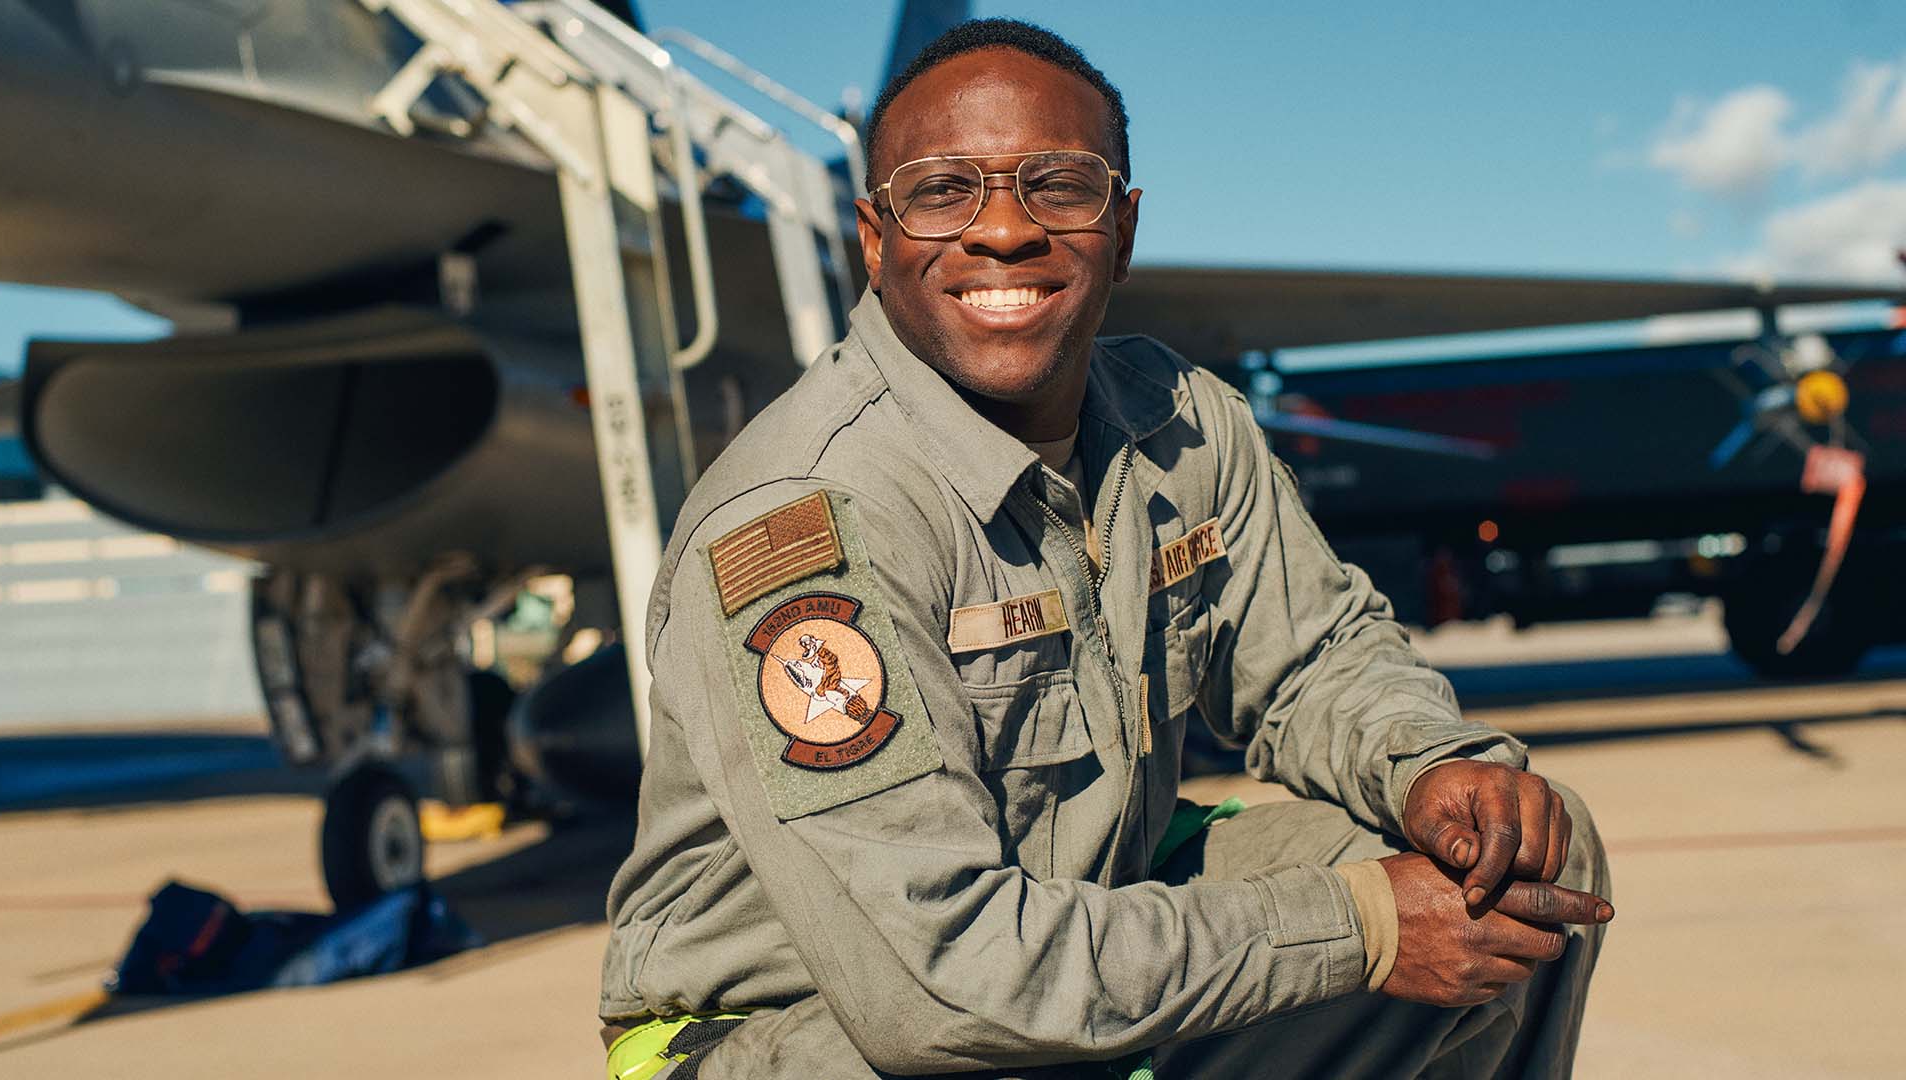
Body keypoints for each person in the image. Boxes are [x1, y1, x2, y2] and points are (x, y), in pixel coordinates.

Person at [598, 18, 1611, 1079]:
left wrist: (1428, 764)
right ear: (874, 238)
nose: (1003, 231)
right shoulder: (809, 526)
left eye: (1059, 186)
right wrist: (1357, 924)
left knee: (1522, 875)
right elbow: (944, 988)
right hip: (791, 1017)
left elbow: (1312, 659)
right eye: (944, 191)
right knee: (1079, 1021)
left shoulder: (1180, 422)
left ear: (1123, 230)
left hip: (1076, 904)